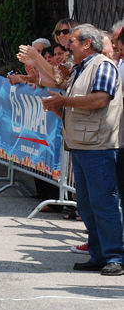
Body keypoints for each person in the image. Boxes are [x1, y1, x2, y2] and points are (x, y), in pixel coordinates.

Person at [42, 24, 124, 276]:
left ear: (87, 43)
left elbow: (100, 99)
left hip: (99, 146)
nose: (68, 44)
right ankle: (99, 255)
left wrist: (63, 101)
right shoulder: (82, 68)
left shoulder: (102, 66)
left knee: (103, 203)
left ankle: (114, 256)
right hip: (82, 144)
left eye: (73, 40)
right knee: (87, 205)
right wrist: (60, 107)